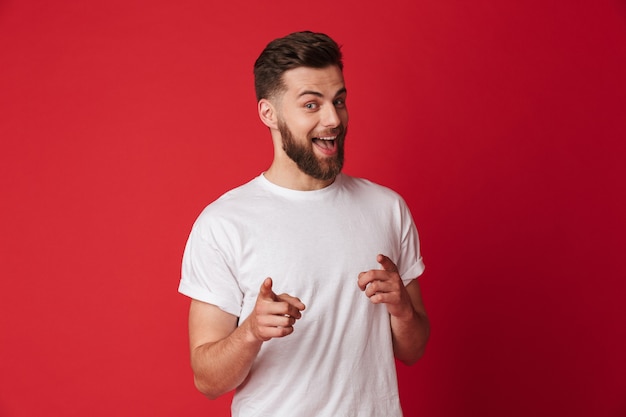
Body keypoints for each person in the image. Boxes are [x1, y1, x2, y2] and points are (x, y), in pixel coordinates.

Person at [178, 31, 430, 417]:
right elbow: (208, 381)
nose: (333, 119)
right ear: (269, 113)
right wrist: (251, 331)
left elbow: (413, 351)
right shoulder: (223, 223)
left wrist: (402, 310)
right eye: (311, 104)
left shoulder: (387, 208)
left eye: (339, 101)